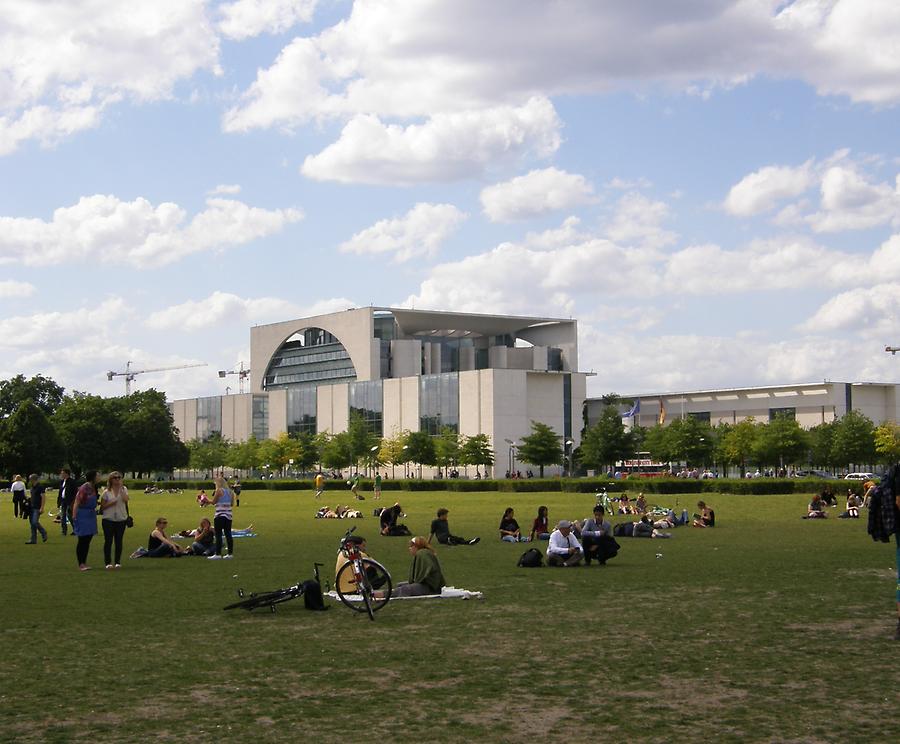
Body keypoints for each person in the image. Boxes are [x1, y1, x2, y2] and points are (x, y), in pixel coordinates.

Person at [99, 471, 129, 569]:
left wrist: (121, 488)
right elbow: (102, 507)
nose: (117, 479)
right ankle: (108, 562)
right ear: (110, 480)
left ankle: (117, 561)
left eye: (119, 477)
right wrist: (110, 503)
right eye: (115, 478)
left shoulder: (124, 489)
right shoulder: (106, 492)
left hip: (121, 518)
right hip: (108, 519)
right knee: (108, 541)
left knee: (119, 541)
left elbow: (126, 499)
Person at [72, 471, 100, 571]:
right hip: (83, 515)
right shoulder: (85, 487)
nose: (99, 477)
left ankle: (84, 562)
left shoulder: (93, 487)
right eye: (98, 475)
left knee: (88, 539)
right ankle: (81, 563)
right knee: (83, 540)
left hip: (90, 515)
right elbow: (77, 501)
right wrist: (74, 516)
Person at [208, 475, 235, 559]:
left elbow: (213, 502)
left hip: (219, 515)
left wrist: (206, 499)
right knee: (228, 534)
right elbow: (232, 504)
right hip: (228, 516)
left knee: (218, 534)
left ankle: (218, 554)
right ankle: (230, 553)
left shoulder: (219, 491)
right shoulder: (230, 492)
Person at [25, 474, 48, 544]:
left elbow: (43, 497)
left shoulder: (40, 487)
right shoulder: (32, 487)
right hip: (31, 507)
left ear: (33, 479)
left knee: (34, 522)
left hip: (37, 507)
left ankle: (43, 532)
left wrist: (42, 507)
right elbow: (33, 496)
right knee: (32, 524)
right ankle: (33, 539)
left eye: (30, 479)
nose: (29, 481)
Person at [58, 468, 77, 536]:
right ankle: (64, 530)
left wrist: (73, 502)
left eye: (63, 473)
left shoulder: (72, 482)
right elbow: (60, 492)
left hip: (70, 501)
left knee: (70, 515)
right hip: (63, 501)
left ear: (66, 474)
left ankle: (75, 529)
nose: (61, 474)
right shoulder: (62, 481)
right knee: (62, 516)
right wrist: (58, 502)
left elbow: (75, 492)